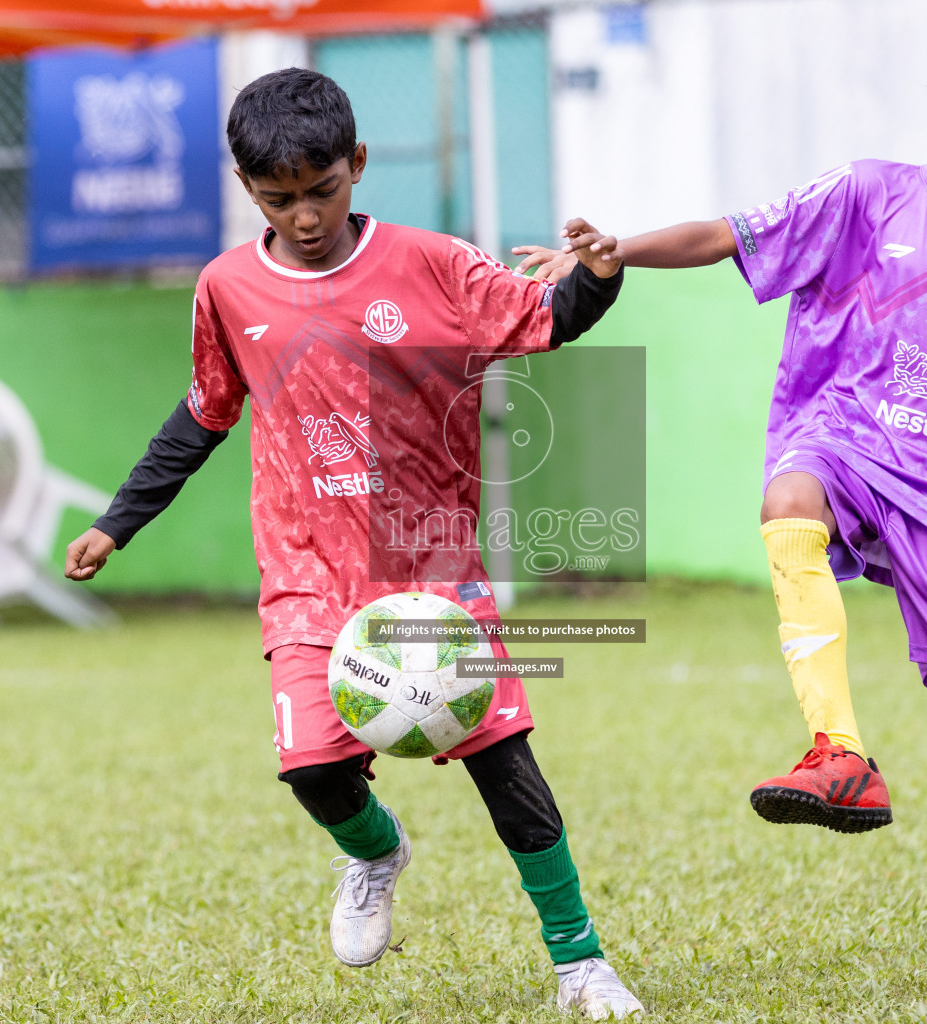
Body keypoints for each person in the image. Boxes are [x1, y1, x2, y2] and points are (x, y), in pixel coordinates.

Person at [519, 13, 927, 954]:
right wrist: (621, 248)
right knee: (792, 497)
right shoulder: (869, 195)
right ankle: (841, 753)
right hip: (853, 444)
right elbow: (730, 232)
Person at [63, 69, 643, 1018]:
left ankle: (582, 962)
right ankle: (374, 852)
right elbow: (204, 414)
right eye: (277, 198)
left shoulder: (432, 264)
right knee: (313, 770)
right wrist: (115, 521)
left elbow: (547, 319)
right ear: (247, 188)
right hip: (307, 579)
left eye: (320, 190)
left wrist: (601, 275)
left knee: (506, 769)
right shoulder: (225, 287)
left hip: (435, 572)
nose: (302, 216)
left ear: (357, 165)